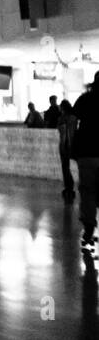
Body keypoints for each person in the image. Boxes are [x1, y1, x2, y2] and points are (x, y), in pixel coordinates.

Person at [71, 75, 99, 253]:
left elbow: (73, 120)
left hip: (87, 152)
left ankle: (88, 230)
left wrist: (74, 143)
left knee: (88, 191)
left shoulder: (84, 99)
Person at [58, 98, 76, 203]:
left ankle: (69, 186)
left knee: (65, 167)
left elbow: (63, 134)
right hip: (73, 144)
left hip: (64, 145)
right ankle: (71, 186)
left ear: (63, 108)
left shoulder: (61, 118)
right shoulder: (74, 118)